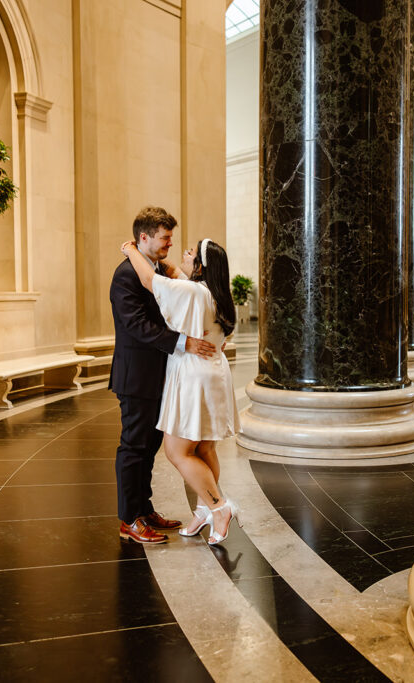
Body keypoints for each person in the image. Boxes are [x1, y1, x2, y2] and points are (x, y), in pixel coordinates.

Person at [119, 235, 241, 545]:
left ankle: (219, 506)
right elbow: (173, 272)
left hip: (192, 376)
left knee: (177, 451)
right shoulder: (215, 293)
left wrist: (130, 249)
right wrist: (166, 260)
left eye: (190, 253)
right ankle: (202, 510)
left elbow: (150, 279)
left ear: (200, 266)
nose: (183, 255)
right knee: (204, 448)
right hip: (214, 371)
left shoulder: (192, 292)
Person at [109, 207, 216, 544]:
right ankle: (129, 519)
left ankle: (144, 508)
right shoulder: (126, 274)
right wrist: (185, 343)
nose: (170, 242)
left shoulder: (157, 269)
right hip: (137, 376)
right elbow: (137, 326)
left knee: (150, 446)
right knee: (134, 447)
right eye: (165, 237)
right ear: (144, 237)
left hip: (162, 374)